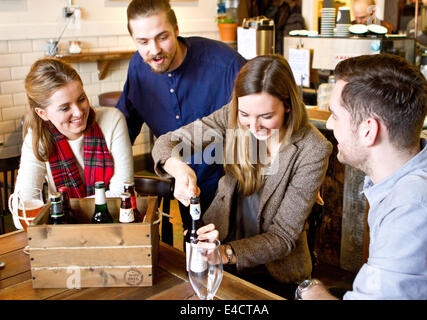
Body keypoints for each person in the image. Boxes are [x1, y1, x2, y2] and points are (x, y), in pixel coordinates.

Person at [151, 54, 333, 299]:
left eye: (266, 117)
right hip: (222, 255)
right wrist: (179, 168)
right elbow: (167, 142)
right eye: (245, 114)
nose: (253, 126)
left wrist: (224, 253)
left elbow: (282, 237)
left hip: (275, 274)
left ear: (288, 104)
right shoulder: (233, 116)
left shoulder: (313, 148)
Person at [297, 54, 427, 300]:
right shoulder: (423, 148)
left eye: (335, 115)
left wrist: (308, 289)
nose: (331, 126)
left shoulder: (413, 211)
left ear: (369, 130)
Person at [115, 0, 247, 231]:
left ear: (176, 29)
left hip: (234, 187)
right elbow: (123, 127)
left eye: (162, 37)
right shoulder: (138, 68)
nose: (154, 50)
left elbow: (269, 109)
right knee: (194, 254)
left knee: (237, 261)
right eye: (143, 42)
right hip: (185, 187)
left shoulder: (224, 64)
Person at [12, 58, 134, 229]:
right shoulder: (37, 137)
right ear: (42, 113)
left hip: (113, 227)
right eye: (64, 108)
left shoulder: (112, 120)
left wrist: (62, 208)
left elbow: (123, 196)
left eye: (81, 99)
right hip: (65, 234)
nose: (78, 112)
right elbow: (22, 212)